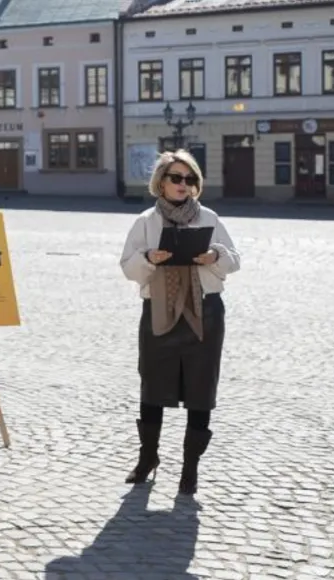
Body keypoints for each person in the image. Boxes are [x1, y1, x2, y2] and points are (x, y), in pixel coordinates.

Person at [119, 149, 242, 496]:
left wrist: (214, 256)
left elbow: (234, 260)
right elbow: (127, 265)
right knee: (152, 386)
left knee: (202, 389)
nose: (183, 185)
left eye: (190, 179)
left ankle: (190, 469)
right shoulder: (145, 221)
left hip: (205, 312)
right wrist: (148, 258)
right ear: (161, 182)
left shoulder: (210, 217)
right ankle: (148, 458)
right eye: (176, 178)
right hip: (158, 309)